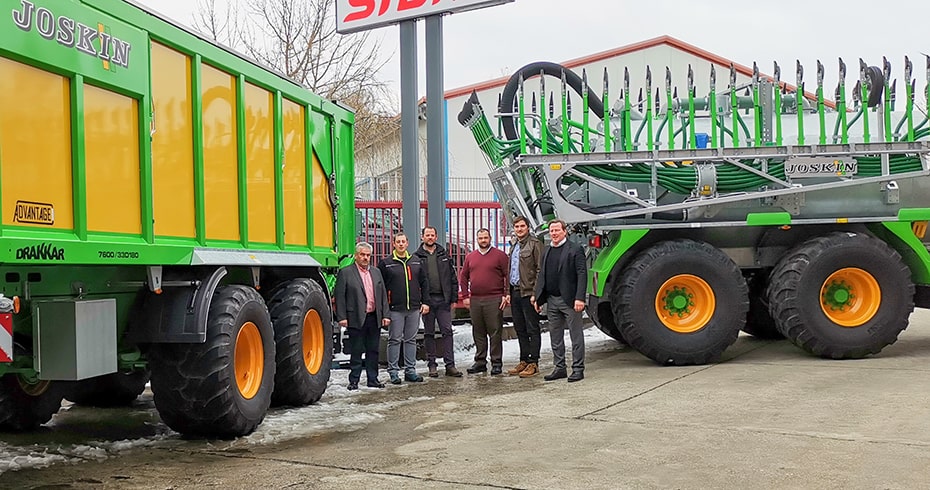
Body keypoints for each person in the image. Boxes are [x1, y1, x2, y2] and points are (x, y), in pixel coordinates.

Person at [533, 219, 588, 382]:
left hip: (570, 300)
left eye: (557, 230)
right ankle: (560, 367)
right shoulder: (547, 251)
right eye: (551, 231)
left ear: (564, 231)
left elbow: (582, 274)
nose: (554, 233)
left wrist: (579, 298)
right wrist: (538, 298)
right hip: (552, 300)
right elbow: (542, 275)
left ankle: (578, 368)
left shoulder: (575, 249)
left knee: (575, 335)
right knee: (555, 336)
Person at [334, 242, 390, 390]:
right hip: (355, 317)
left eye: (368, 255)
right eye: (362, 255)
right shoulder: (346, 272)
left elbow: (383, 294)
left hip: (374, 317)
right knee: (356, 350)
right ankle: (354, 381)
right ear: (356, 255)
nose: (365, 258)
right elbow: (339, 296)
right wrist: (341, 317)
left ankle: (373, 379)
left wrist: (385, 314)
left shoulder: (376, 272)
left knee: (373, 350)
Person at [377, 232, 430, 384]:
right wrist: (384, 309)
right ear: (394, 244)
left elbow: (424, 283)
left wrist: (425, 302)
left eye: (403, 242)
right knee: (394, 339)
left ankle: (410, 370)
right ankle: (393, 371)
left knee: (411, 340)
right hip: (395, 309)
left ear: (407, 244)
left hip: (414, 308)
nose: (401, 244)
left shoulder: (416, 261)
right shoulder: (386, 263)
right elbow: (381, 288)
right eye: (398, 242)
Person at [414, 226, 463, 378]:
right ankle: (432, 365)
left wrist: (454, 298)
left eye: (432, 235)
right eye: (427, 235)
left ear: (436, 237)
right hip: (427, 301)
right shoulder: (416, 257)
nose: (430, 237)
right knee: (429, 333)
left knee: (447, 332)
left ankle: (450, 365)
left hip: (443, 300)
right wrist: (421, 301)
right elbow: (415, 282)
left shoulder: (444, 255)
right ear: (422, 237)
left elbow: (453, 278)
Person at [459, 228, 510, 375]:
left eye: (485, 238)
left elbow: (508, 276)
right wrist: (465, 296)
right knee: (478, 331)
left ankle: (496, 362)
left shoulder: (500, 256)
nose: (483, 240)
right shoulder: (470, 257)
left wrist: (506, 294)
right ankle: (480, 361)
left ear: (490, 238)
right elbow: (463, 277)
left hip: (494, 299)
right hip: (475, 299)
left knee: (495, 332)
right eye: (480, 238)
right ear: (477, 239)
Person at [507, 216, 544, 378]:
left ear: (528, 227)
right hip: (515, 291)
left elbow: (540, 270)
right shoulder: (514, 246)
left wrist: (536, 293)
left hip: (529, 293)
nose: (519, 229)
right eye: (517, 226)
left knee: (532, 328)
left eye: (522, 226)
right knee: (520, 328)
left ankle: (533, 362)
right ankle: (524, 359)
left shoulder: (535, 244)